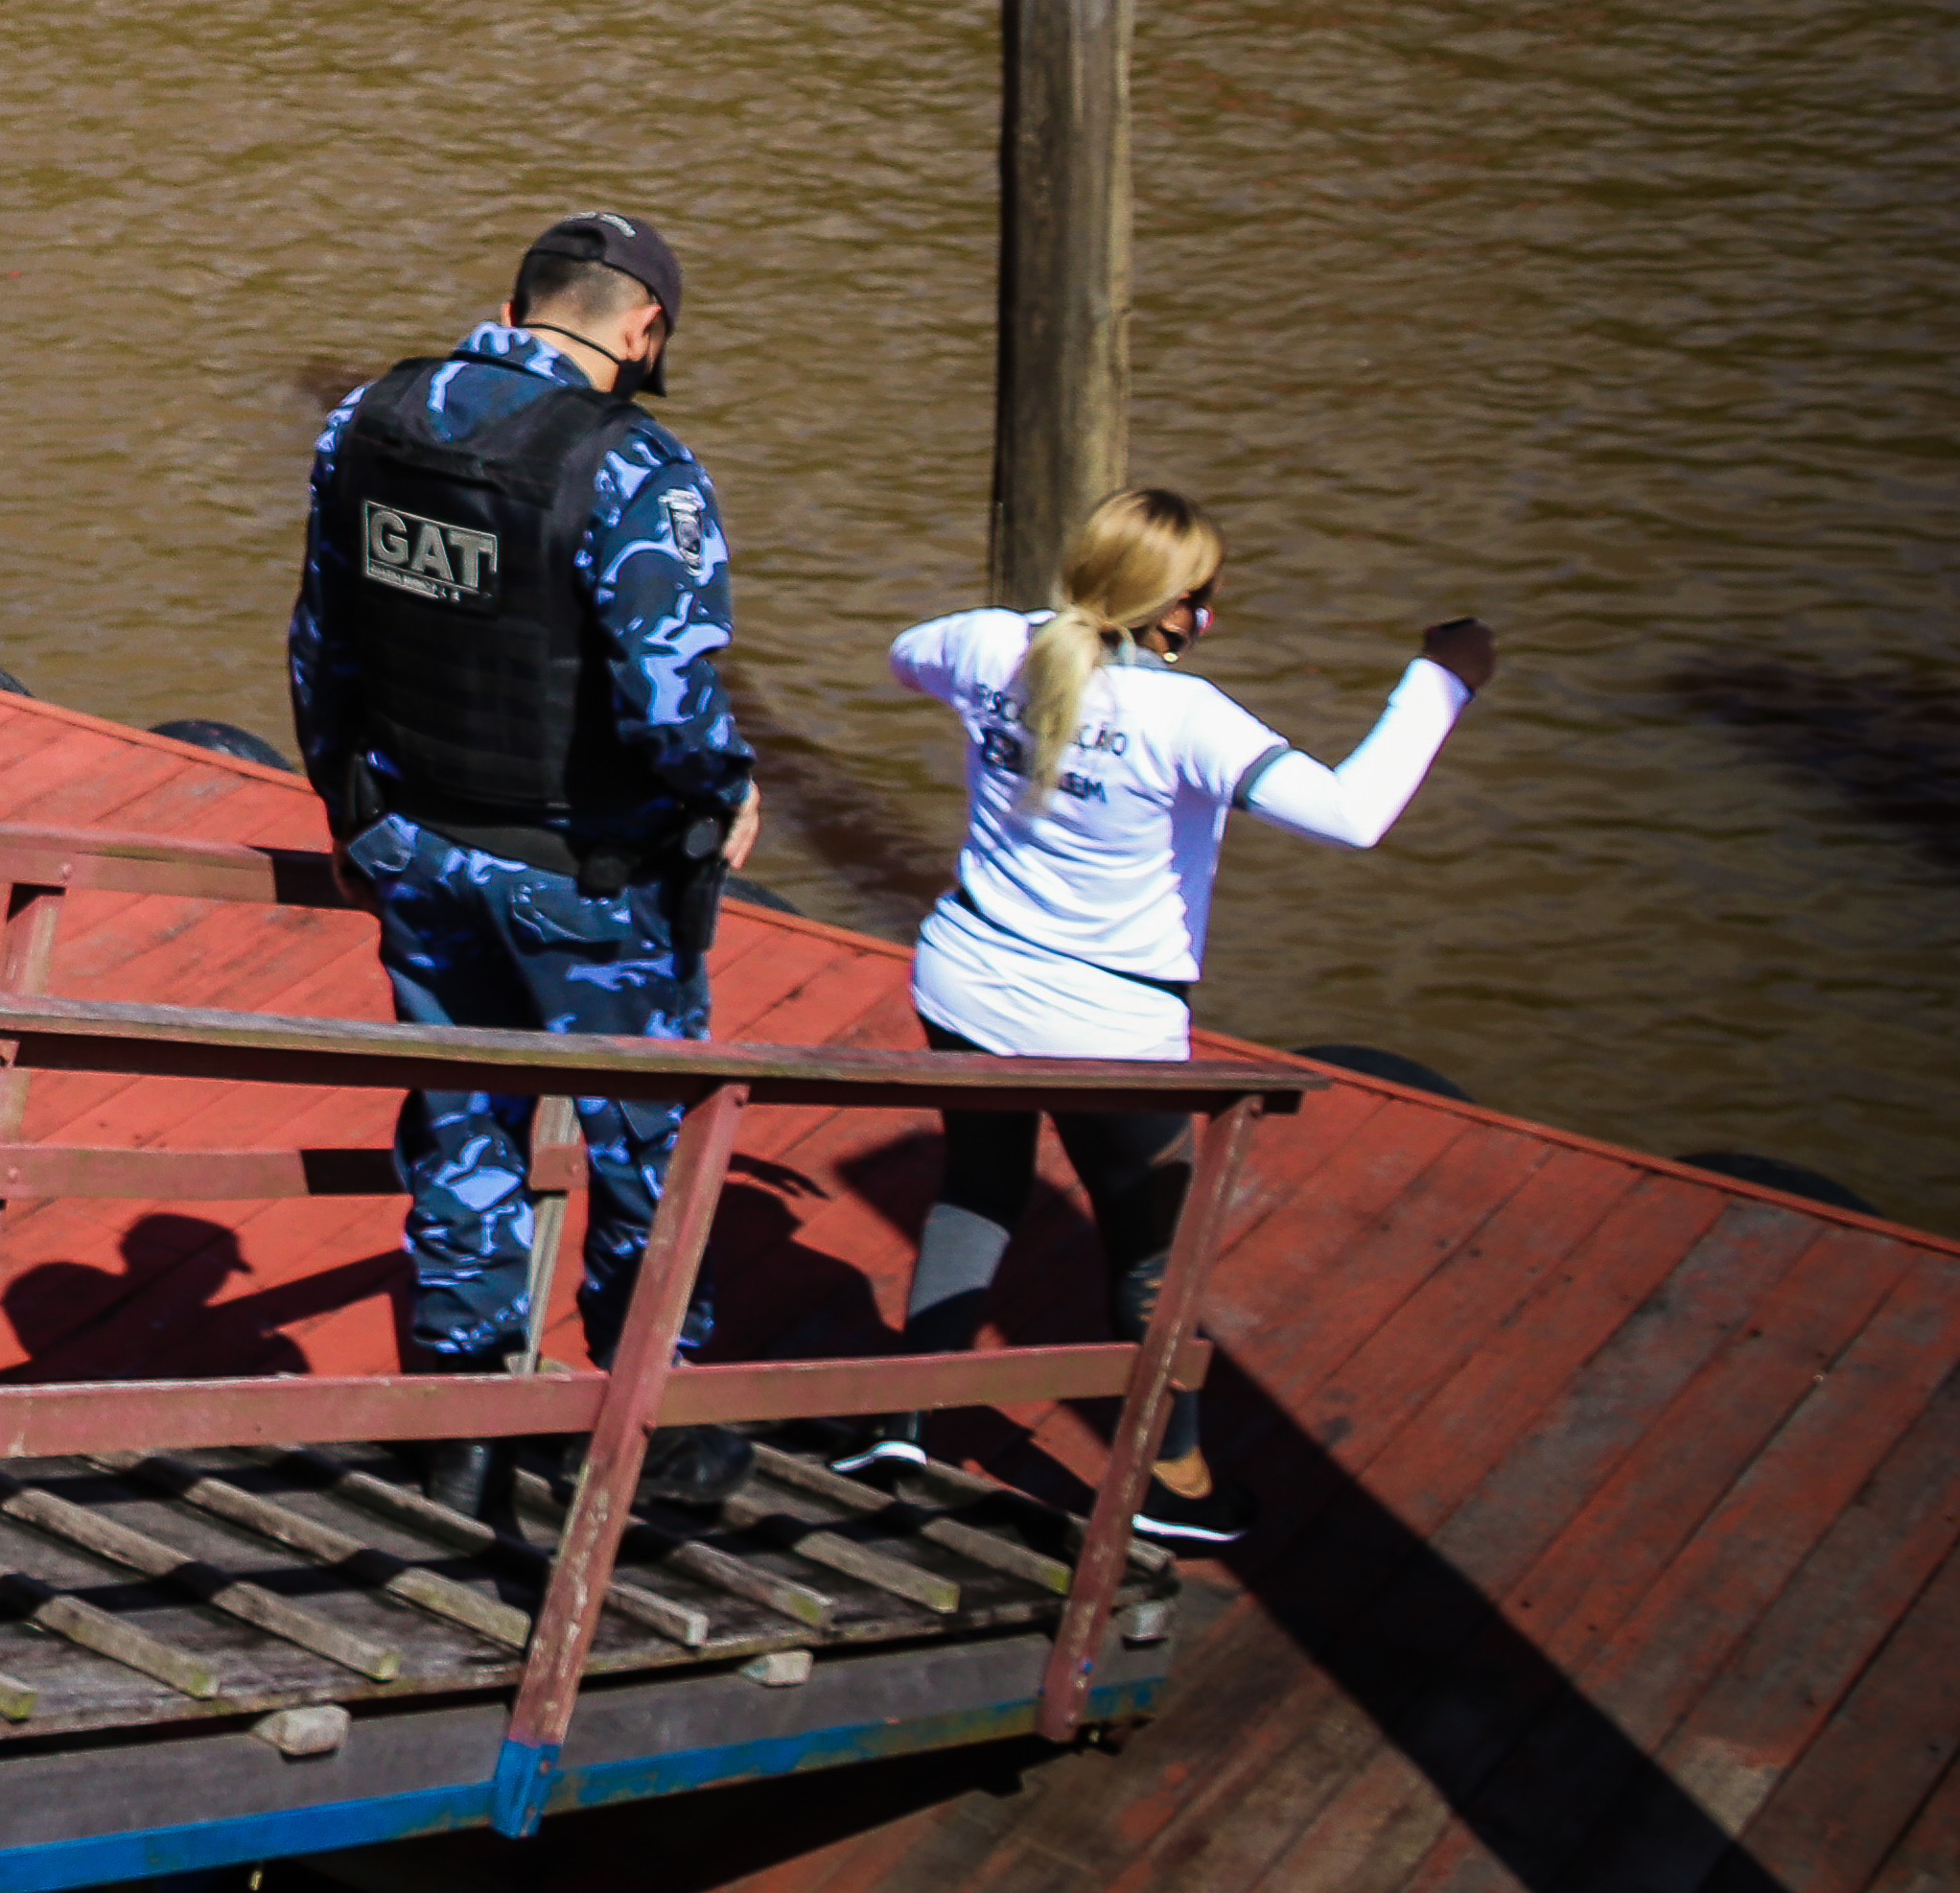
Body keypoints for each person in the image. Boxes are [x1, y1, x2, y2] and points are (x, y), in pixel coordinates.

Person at [856, 489, 1484, 1543]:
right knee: (1149, 1255)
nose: (1212, 621)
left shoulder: (986, 646)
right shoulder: (1187, 718)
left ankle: (900, 1423)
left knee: (976, 1193)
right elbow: (1353, 814)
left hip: (966, 985)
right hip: (1109, 1033)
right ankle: (1175, 1485)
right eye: (1204, 600)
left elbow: (903, 654)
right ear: (1173, 611)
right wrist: (1442, 679)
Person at [288, 211, 766, 1523]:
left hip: (417, 842)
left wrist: (346, 805)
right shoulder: (633, 467)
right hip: (583, 879)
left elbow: (321, 639)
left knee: (460, 1127)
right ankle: (653, 1433)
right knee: (641, 1151)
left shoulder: (369, 420)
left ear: (520, 300)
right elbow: (670, 700)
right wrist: (725, 797)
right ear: (644, 328)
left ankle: (465, 1427)